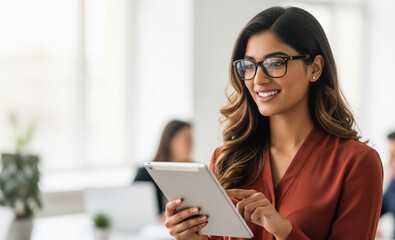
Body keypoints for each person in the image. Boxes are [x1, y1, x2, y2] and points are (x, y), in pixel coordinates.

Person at [163, 6, 383, 240]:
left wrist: (284, 230)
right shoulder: (225, 159)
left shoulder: (357, 163)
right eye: (249, 66)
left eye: (275, 62)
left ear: (315, 68)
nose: (258, 79)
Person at [134, 120, 192, 215]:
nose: (191, 145)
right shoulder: (145, 172)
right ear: (170, 141)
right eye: (187, 140)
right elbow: (134, 207)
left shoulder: (194, 172)